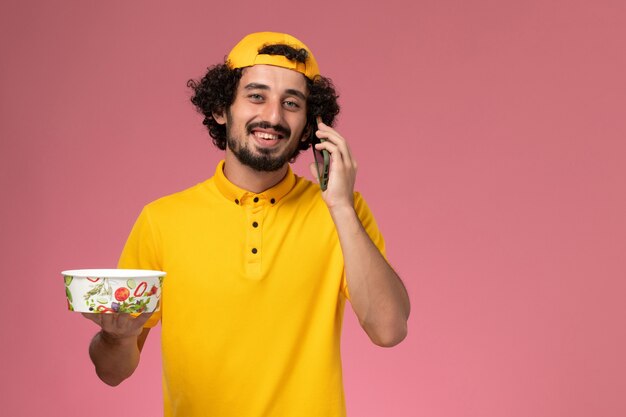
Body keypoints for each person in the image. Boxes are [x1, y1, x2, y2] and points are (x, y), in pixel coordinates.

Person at [83, 31, 410, 417]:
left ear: (309, 127)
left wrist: (339, 205)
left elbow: (389, 330)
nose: (272, 116)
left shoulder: (343, 212)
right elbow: (112, 372)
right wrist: (115, 337)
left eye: (292, 103)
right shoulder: (161, 220)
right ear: (222, 109)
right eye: (257, 96)